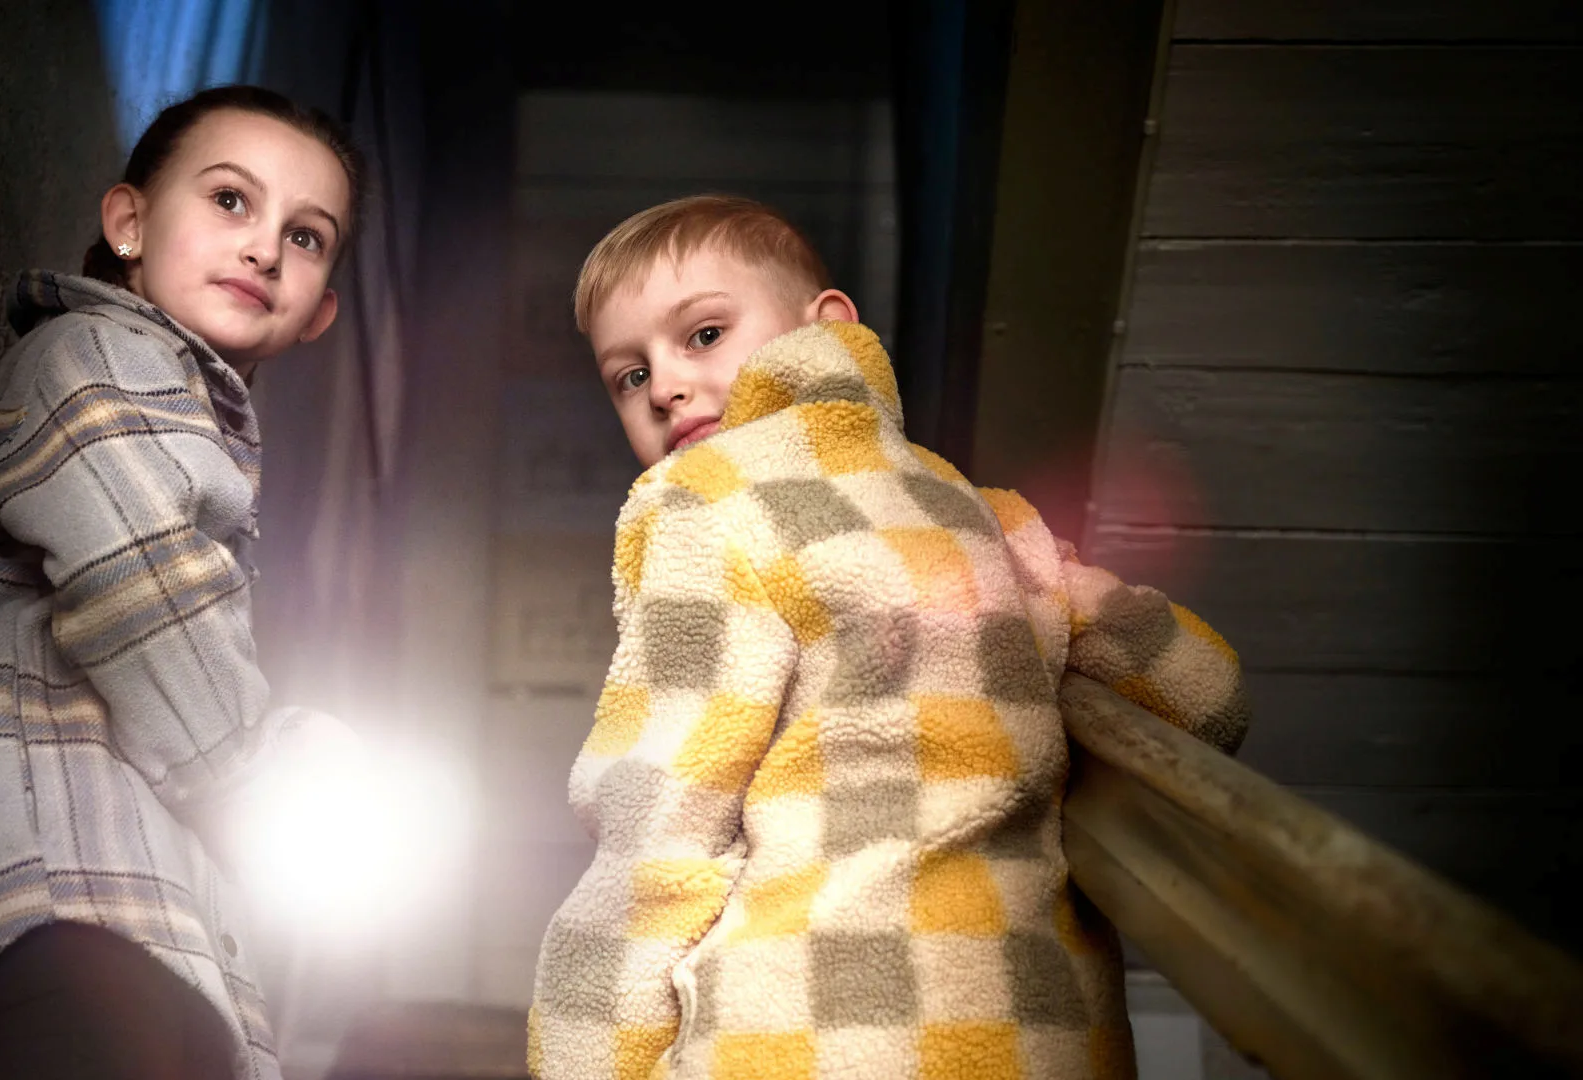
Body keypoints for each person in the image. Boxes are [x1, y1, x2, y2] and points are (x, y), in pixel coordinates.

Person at [529, 195, 1249, 1079]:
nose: (667, 384)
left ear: (821, 321)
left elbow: (658, 820)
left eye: (704, 335)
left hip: (800, 1033)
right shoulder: (1002, 525)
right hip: (1043, 1032)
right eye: (629, 376)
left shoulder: (705, 502)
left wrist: (586, 1057)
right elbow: (1207, 696)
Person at [0, 85, 363, 1080]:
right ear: (129, 223)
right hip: (31, 914)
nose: (264, 247)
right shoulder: (100, 357)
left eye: (308, 236)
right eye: (231, 200)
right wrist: (279, 766)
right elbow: (148, 594)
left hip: (111, 939)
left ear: (319, 313)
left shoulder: (196, 436)